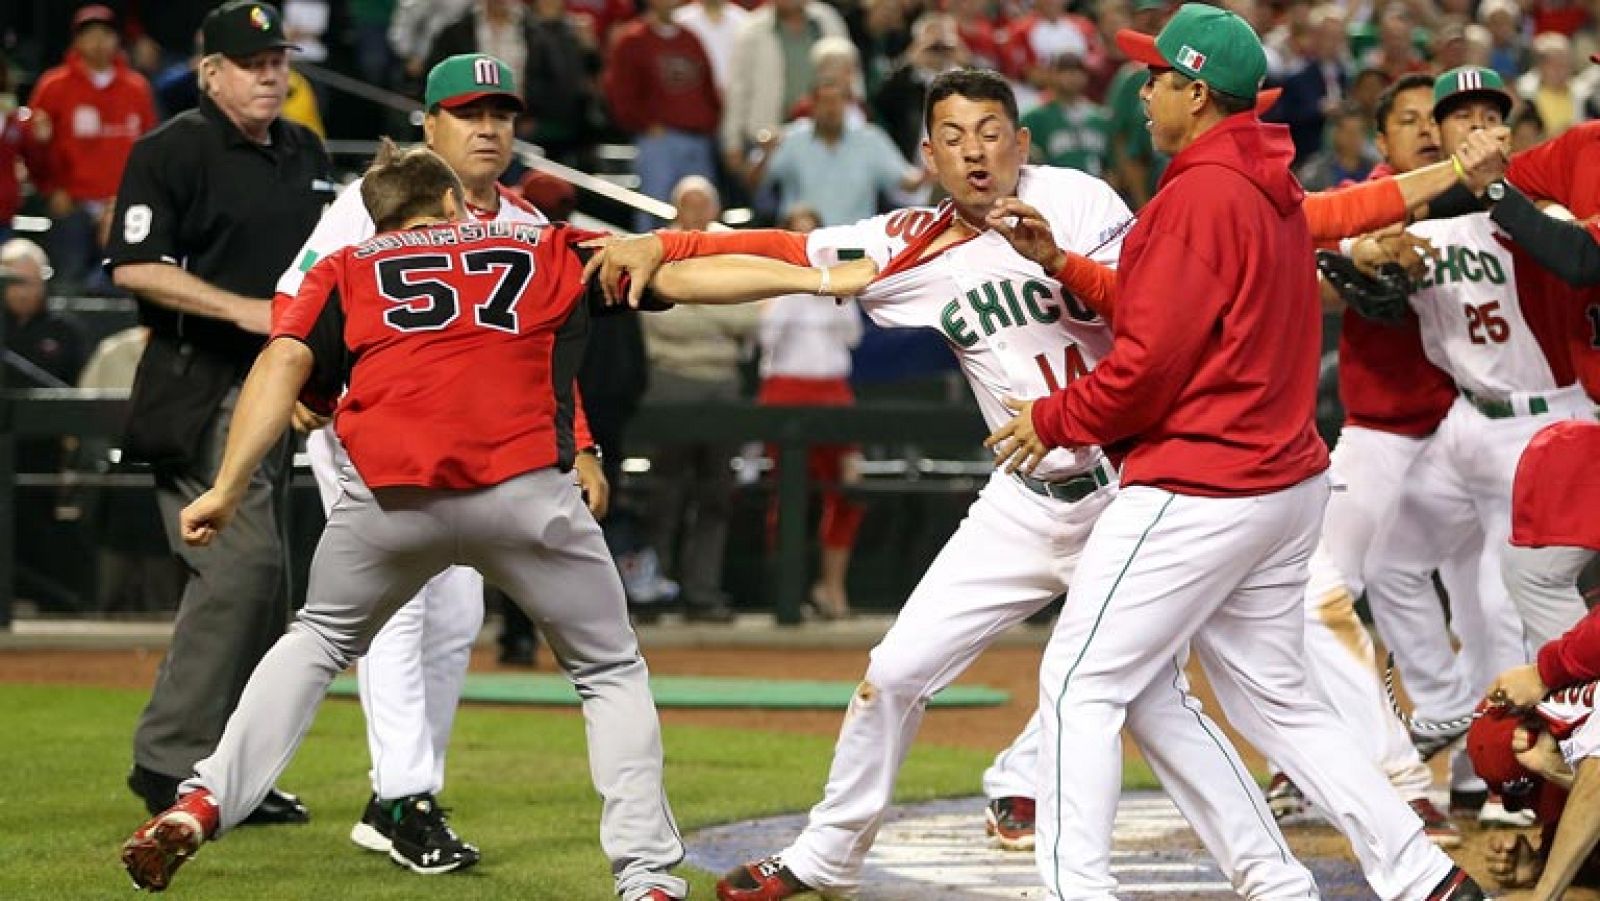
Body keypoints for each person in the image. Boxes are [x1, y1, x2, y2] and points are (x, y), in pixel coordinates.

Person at [590, 67, 1356, 901]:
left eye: (990, 132)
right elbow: (781, 259)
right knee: (895, 671)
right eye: (952, 138)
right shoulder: (910, 242)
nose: (973, 151)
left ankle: (1272, 880)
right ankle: (828, 854)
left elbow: (1151, 311)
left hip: (1124, 489)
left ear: (1021, 142)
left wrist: (1057, 259)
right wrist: (667, 248)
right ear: (927, 155)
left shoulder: (1081, 200)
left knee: (1153, 703)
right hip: (1022, 503)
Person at [118, 137, 866, 900]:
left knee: (315, 641)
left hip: (392, 499)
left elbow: (282, 363)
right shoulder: (537, 243)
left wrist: (227, 484)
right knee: (609, 671)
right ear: (451, 201)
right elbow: (684, 271)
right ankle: (644, 877)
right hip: (524, 494)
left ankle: (204, 801)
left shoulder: (346, 268)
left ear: (375, 222)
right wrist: (814, 278)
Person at [983, 7, 1483, 899]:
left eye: (1158, 78)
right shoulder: (1259, 177)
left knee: (1076, 685)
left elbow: (1144, 370)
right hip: (1280, 483)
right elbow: (1161, 303)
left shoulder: (1200, 193)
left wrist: (1053, 419)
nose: (1144, 93)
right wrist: (1062, 260)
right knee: (1275, 700)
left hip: (1202, 481)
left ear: (1197, 91)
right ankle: (1415, 873)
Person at [269, 53, 592, 872]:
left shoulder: (523, 222)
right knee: (401, 609)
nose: (488, 129)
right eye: (468, 113)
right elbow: (292, 298)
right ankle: (407, 794)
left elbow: (549, 351)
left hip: (478, 446)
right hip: (369, 432)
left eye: (501, 115)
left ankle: (398, 799)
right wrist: (306, 373)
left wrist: (581, 440)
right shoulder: (369, 205)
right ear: (430, 124)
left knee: (455, 615)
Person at [104, 0, 332, 826]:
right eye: (253, 62)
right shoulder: (170, 149)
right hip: (197, 379)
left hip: (277, 387)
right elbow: (134, 266)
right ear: (210, 72)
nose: (272, 74)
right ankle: (171, 762)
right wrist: (247, 311)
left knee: (265, 583)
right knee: (243, 571)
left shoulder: (302, 149)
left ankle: (233, 771)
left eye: (278, 59)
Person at [756, 205, 863, 620]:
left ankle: (831, 587)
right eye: (797, 238)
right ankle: (788, 592)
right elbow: (767, 338)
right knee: (787, 494)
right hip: (786, 389)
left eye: (812, 237)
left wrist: (831, 289)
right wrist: (796, 284)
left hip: (834, 390)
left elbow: (852, 337)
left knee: (848, 490)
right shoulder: (774, 284)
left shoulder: (839, 283)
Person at [28, 4, 156, 289]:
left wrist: (131, 198)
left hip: (121, 202)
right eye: (90, 34)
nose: (98, 42)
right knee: (67, 277)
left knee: (127, 280)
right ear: (77, 41)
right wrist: (51, 189)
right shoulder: (53, 86)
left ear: (117, 40)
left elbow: (149, 149)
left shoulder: (137, 88)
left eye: (105, 34)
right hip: (73, 201)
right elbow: (33, 149)